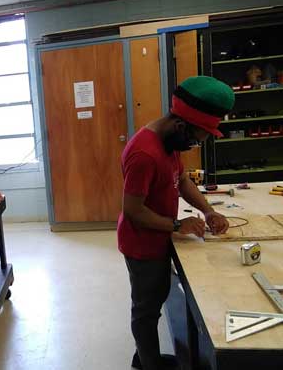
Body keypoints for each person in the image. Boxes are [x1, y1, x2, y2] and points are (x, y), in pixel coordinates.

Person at [119, 76, 234, 370]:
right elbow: (133, 210)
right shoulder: (144, 152)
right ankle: (148, 364)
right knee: (146, 310)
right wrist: (177, 225)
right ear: (180, 125)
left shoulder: (168, 142)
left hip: (160, 235)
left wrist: (208, 211)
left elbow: (181, 179)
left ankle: (144, 356)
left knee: (157, 298)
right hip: (142, 243)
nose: (194, 145)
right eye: (195, 139)